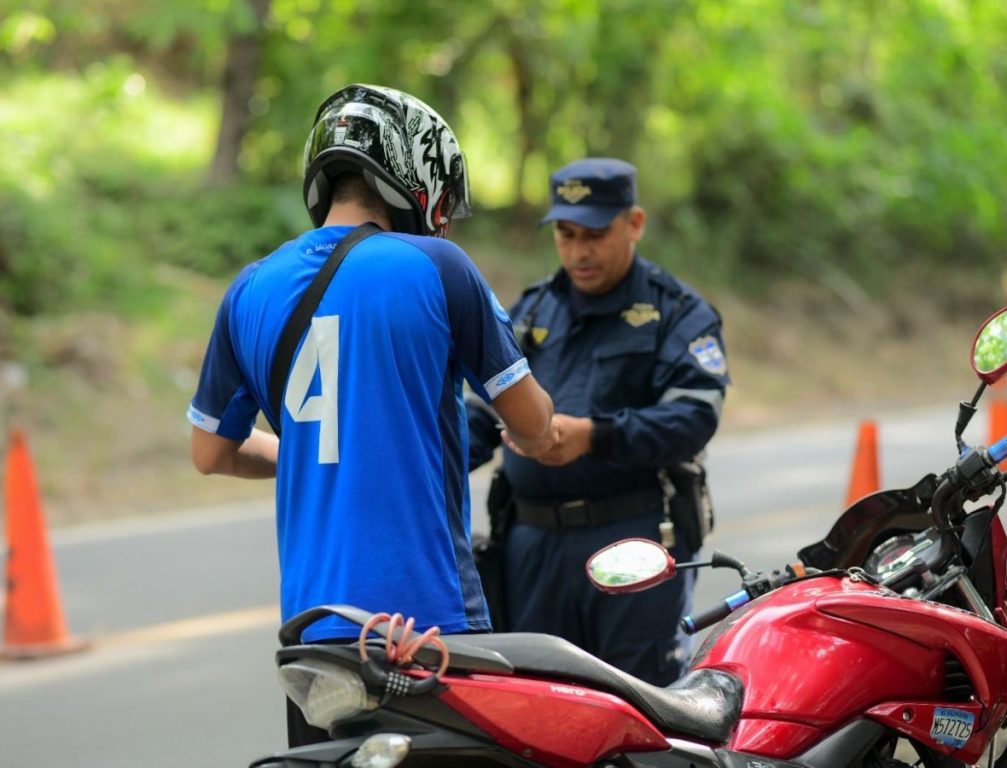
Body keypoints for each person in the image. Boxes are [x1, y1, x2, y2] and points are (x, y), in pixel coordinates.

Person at [187, 84, 556, 745]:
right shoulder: (437, 267)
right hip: (427, 623)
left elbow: (210, 453)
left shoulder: (249, 287)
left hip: (312, 637)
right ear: (416, 178)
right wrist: (547, 434)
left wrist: (313, 457)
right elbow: (531, 422)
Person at [468, 157, 729, 686]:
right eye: (565, 234)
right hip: (531, 547)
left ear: (634, 224)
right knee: (536, 712)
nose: (579, 251)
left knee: (641, 711)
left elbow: (693, 415)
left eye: (595, 234)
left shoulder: (676, 312)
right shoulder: (530, 313)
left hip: (631, 546)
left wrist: (594, 437)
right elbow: (477, 414)